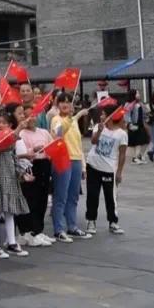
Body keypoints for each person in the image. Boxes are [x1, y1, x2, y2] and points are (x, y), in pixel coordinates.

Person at [50, 94, 92, 242]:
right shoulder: (57, 119)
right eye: (62, 102)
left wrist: (83, 166)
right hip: (62, 160)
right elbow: (58, 135)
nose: (65, 104)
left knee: (73, 196)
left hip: (75, 160)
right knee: (61, 196)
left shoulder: (73, 121)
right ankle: (59, 229)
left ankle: (72, 226)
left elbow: (78, 145)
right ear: (58, 104)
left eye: (68, 102)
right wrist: (73, 117)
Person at [0, 112, 29, 259]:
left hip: (10, 177)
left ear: (8, 124)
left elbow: (12, 154)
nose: (0, 125)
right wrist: (18, 129)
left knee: (10, 212)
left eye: (3, 122)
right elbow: (3, 143)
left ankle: (11, 242)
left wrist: (22, 173)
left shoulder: (10, 139)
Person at [86, 107, 128, 236]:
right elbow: (93, 141)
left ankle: (113, 222)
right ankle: (91, 221)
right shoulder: (99, 127)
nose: (102, 116)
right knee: (92, 195)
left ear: (111, 116)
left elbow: (122, 154)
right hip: (93, 165)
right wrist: (99, 131)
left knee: (110, 196)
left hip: (109, 169)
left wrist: (119, 172)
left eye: (104, 114)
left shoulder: (122, 133)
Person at [17, 105, 55, 247]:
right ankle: (30, 230)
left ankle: (39, 230)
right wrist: (34, 149)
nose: (31, 119)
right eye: (27, 116)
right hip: (31, 165)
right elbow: (22, 152)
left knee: (43, 198)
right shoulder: (22, 134)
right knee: (31, 198)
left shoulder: (44, 132)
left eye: (33, 115)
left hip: (45, 163)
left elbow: (52, 145)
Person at [124, 90, 151, 166]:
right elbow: (126, 114)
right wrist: (129, 123)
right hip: (133, 125)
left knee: (145, 141)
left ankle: (139, 156)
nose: (139, 94)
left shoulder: (140, 103)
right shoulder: (128, 104)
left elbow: (145, 112)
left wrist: (147, 116)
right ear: (133, 95)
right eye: (137, 93)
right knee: (138, 142)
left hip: (141, 124)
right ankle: (135, 158)